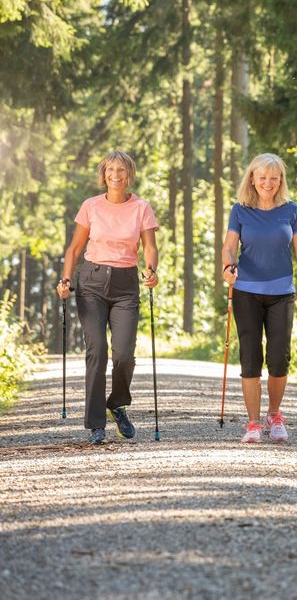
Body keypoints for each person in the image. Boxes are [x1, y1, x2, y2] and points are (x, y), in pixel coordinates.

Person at [58, 151, 159, 445]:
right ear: (103, 174)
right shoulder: (91, 206)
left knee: (124, 355)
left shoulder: (141, 207)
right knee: (97, 351)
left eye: (122, 170)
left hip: (127, 284)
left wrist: (151, 271)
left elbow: (150, 247)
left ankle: (117, 403)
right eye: (110, 170)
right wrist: (65, 280)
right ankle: (96, 424)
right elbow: (74, 250)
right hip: (91, 283)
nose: (116, 175)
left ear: (130, 175)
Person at [221, 153, 297, 444]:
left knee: (279, 357)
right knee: (250, 356)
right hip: (246, 290)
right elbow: (229, 247)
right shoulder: (240, 210)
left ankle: (274, 414)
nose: (268, 183)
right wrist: (228, 267)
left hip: (282, 293)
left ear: (281, 180)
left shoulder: (291, 210)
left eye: (274, 178)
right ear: (252, 179)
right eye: (262, 178)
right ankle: (253, 423)